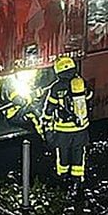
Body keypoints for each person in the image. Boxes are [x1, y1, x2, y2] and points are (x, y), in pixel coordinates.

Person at [42, 56, 92, 194]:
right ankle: (77, 180)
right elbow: (89, 98)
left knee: (62, 153)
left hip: (63, 130)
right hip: (81, 128)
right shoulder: (81, 83)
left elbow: (50, 107)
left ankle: (62, 177)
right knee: (79, 153)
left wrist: (45, 120)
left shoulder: (56, 87)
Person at [0, 69, 46, 138]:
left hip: (19, 111)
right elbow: (20, 101)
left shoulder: (18, 80)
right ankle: (42, 136)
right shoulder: (9, 83)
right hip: (13, 115)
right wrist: (34, 95)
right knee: (34, 113)